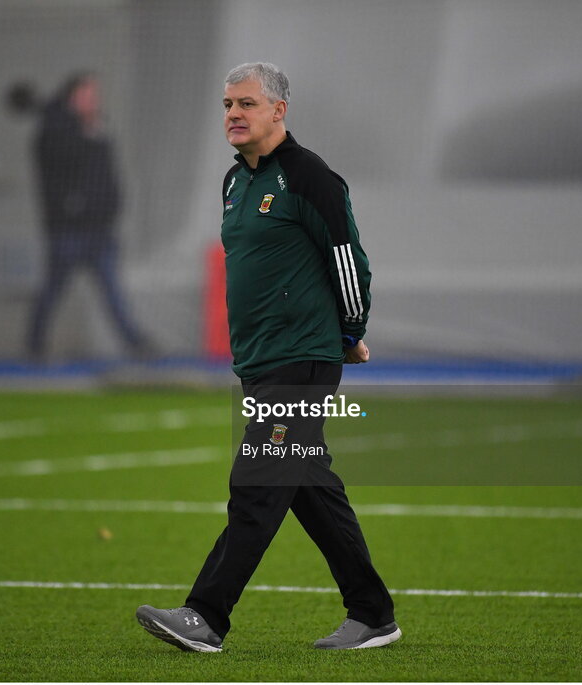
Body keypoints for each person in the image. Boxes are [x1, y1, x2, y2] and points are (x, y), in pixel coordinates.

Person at [136, 62, 398, 652]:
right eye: (228, 105)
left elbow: (347, 260)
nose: (233, 114)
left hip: (301, 358)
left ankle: (205, 615)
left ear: (279, 111)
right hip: (263, 360)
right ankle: (373, 614)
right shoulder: (235, 182)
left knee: (256, 482)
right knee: (307, 484)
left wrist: (350, 331)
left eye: (246, 104)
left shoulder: (311, 177)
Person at [27, 72, 148, 360]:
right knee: (53, 289)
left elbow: (105, 174)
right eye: (88, 95)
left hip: (100, 226)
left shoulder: (96, 128)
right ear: (73, 97)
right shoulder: (56, 130)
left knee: (112, 290)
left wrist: (112, 205)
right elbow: (60, 167)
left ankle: (136, 344)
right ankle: (34, 344)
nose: (95, 101)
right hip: (69, 228)